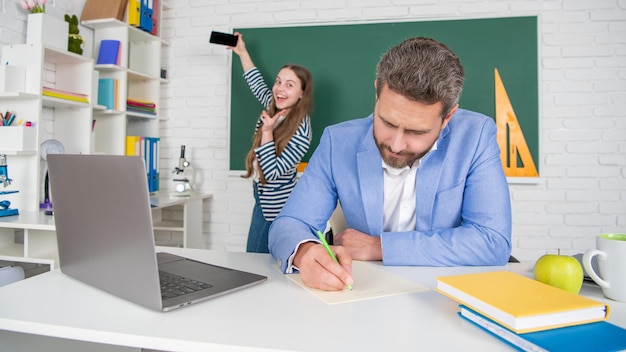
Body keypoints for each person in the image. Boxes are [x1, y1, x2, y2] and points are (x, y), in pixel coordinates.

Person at [268, 36, 512, 291]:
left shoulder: (476, 136)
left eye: (416, 132)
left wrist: (379, 246)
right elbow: (288, 224)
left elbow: (492, 240)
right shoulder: (337, 141)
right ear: (377, 92)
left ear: (448, 117)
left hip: (444, 297)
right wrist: (304, 252)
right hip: (364, 294)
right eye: (387, 122)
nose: (395, 145)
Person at [229, 33, 314, 253]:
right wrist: (242, 52)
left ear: (301, 94)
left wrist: (267, 133)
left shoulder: (302, 131)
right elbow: (256, 82)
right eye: (278, 82)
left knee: (256, 260)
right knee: (261, 262)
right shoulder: (275, 106)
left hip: (275, 207)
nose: (279, 89)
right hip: (262, 195)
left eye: (289, 85)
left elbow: (273, 173)